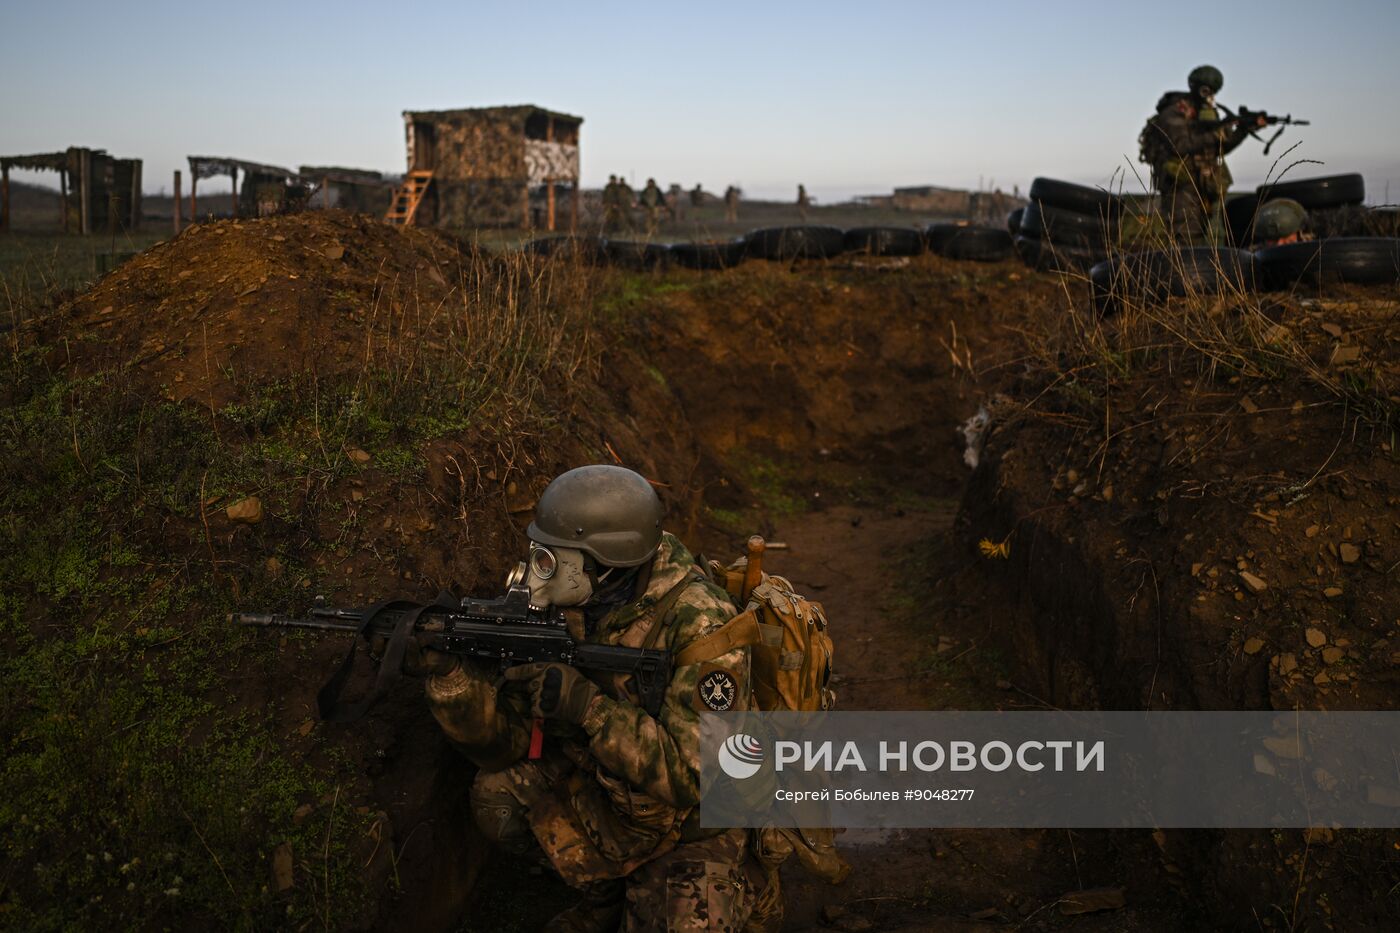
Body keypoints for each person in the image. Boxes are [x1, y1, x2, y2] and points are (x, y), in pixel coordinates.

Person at [422, 465, 776, 931]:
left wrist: (587, 707)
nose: (536, 575)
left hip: (695, 823)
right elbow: (503, 746)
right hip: (611, 791)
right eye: (538, 554)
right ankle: (606, 894)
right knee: (497, 798)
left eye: (550, 561)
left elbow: (692, 778)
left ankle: (749, 885)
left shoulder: (702, 622)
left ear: (605, 563)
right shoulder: (574, 603)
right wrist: (451, 679)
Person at [1141, 65, 1267, 243]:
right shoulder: (1173, 112)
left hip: (1206, 184)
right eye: (1206, 89)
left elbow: (1220, 148)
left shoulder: (1207, 112)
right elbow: (1180, 146)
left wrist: (1243, 131)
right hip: (1181, 184)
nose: (1209, 95)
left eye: (1212, 91)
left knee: (1206, 235)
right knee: (1186, 237)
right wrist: (1213, 134)